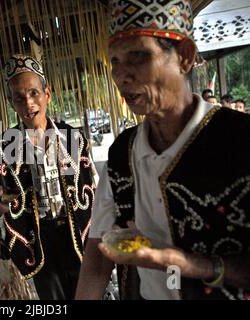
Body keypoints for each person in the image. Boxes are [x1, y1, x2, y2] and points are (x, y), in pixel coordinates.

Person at [76, 0, 250, 300]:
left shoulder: (240, 140)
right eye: (115, 61)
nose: (121, 76)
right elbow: (97, 257)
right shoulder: (123, 155)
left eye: (139, 56)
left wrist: (190, 264)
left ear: (184, 56)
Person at [0, 54, 98, 300]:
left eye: (34, 93)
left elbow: (93, 187)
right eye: (19, 97)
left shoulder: (72, 139)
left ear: (47, 93)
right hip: (35, 242)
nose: (28, 103)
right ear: (11, 102)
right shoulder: (6, 146)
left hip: (79, 236)